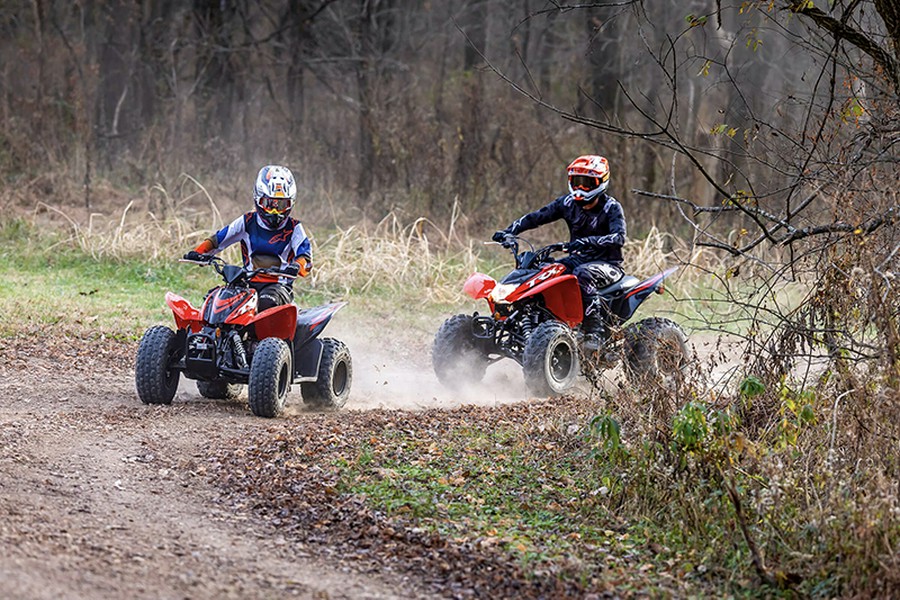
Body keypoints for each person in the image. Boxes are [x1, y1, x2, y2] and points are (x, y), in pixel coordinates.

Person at [492, 154, 625, 349]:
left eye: (587, 183)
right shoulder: (567, 203)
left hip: (608, 264)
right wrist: (509, 231)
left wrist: (585, 242)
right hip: (577, 259)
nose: (580, 188)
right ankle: (537, 322)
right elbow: (537, 217)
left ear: (601, 182)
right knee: (545, 270)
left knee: (583, 274)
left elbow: (618, 237)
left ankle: (593, 331)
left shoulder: (611, 207)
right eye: (576, 182)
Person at [183, 164, 311, 311]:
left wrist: (296, 266)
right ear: (258, 199)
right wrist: (199, 253)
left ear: (291, 203)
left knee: (264, 304)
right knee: (216, 299)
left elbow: (305, 258)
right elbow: (218, 240)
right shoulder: (247, 221)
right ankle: (206, 332)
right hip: (246, 283)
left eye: (281, 205)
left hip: (278, 287)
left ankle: (266, 334)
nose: (275, 211)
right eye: (269, 204)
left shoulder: (294, 228)